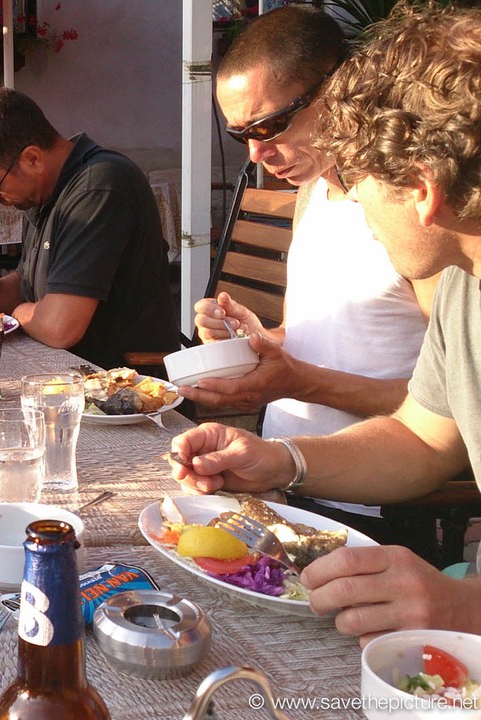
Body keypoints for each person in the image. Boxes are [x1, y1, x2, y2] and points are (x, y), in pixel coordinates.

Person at [170, 3, 481, 645]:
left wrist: (466, 606)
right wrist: (276, 459)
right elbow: (425, 437)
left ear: (421, 188)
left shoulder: (445, 269)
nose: (350, 196)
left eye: (360, 179)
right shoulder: (461, 288)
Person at [180, 6, 437, 541]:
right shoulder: (314, 193)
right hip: (277, 485)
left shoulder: (418, 216)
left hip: (369, 508)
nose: (256, 154)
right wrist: (251, 343)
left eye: (271, 124)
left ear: (338, 87)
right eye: (240, 136)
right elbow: (324, 343)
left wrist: (299, 383)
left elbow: (446, 405)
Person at [0, 87, 180, 370]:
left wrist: (16, 313)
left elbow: (60, 327)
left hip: (123, 388)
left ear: (32, 159)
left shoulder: (99, 188)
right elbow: (23, 288)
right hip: (68, 377)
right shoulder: (43, 191)